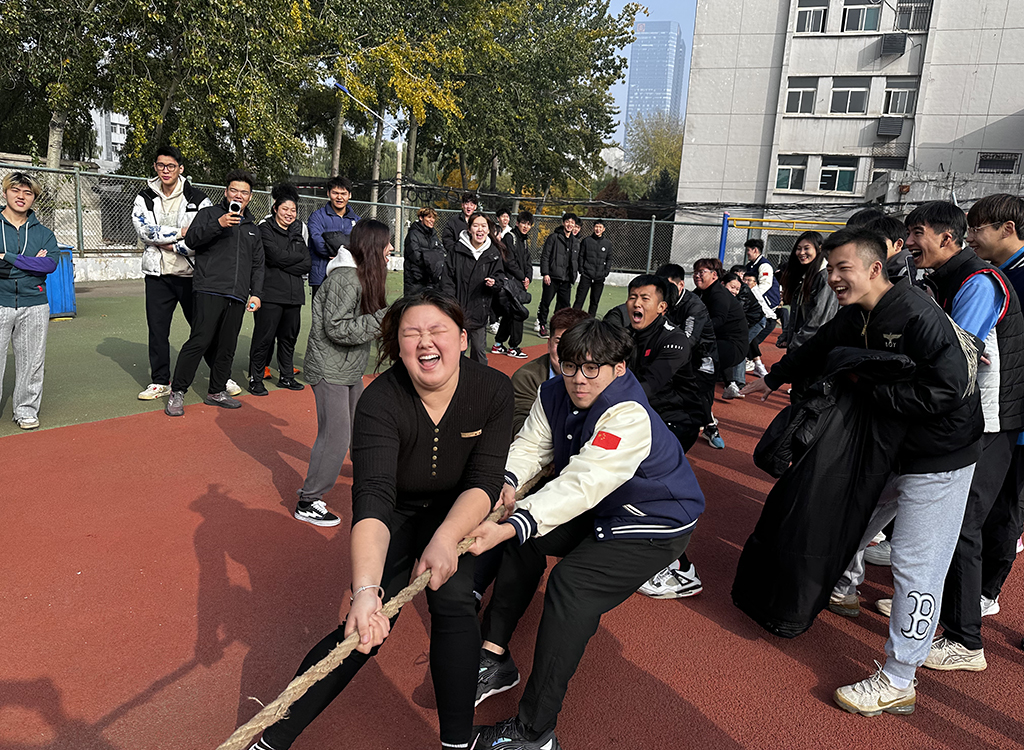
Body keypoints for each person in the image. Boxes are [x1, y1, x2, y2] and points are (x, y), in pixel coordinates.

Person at [246, 291, 513, 750]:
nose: (425, 342)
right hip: (397, 511)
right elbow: (372, 496)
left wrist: (447, 537)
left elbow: (484, 480)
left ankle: (456, 742)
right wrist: (365, 590)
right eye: (412, 334)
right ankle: (271, 740)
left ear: (462, 339)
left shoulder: (492, 389)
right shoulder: (380, 400)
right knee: (362, 629)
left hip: (456, 509)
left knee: (454, 601)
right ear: (397, 345)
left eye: (437, 330)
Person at [743, 226, 982, 718]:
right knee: (841, 518)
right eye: (829, 268)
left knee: (916, 565)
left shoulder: (917, 314)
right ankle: (840, 585)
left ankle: (899, 678)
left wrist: (872, 391)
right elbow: (816, 349)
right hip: (887, 447)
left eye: (842, 268)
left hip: (939, 455)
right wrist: (774, 377)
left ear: (875, 268)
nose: (832, 277)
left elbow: (948, 390)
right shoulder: (856, 315)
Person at [469, 318, 705, 750]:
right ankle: (494, 655)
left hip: (652, 520)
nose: (580, 378)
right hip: (602, 506)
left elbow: (584, 482)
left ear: (619, 368)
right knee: (523, 538)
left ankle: (534, 733)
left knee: (571, 585)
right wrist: (507, 482)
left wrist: (517, 520)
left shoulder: (628, 414)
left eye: (593, 368)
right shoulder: (552, 392)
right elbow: (532, 445)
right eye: (571, 365)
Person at [901, 201, 1024, 672]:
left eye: (917, 233)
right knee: (958, 522)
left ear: (945, 238)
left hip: (991, 419)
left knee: (964, 524)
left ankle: (965, 639)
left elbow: (954, 353)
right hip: (980, 417)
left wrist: (948, 343)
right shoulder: (954, 278)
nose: (910, 243)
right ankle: (933, 605)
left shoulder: (980, 281)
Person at [295, 219, 391, 527]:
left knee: (360, 425)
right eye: (387, 243)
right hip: (329, 368)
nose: (391, 248)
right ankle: (308, 500)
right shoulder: (346, 279)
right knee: (335, 435)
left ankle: (368, 473)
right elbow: (337, 328)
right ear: (372, 247)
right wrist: (383, 318)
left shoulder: (360, 275)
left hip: (347, 367)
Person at [622, 275, 706, 600]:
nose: (636, 303)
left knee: (650, 490)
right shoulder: (629, 333)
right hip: (649, 419)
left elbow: (648, 387)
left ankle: (680, 569)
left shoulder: (674, 340)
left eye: (645, 298)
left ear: (662, 307)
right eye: (632, 296)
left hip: (676, 422)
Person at [133, 146, 237, 401]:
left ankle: (221, 377)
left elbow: (204, 235)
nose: (165, 170)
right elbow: (145, 232)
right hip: (157, 275)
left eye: (171, 166)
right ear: (155, 167)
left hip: (191, 275)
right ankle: (160, 381)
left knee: (203, 330)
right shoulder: (144, 198)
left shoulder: (199, 199)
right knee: (158, 330)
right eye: (160, 165)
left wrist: (171, 243)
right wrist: (181, 232)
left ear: (180, 168)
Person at [965, 193, 1024, 609]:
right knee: (988, 499)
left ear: (1008, 229)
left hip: (1017, 414)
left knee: (1006, 504)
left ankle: (986, 591)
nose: (970, 236)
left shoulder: (1018, 277)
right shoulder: (999, 273)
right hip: (1002, 407)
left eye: (976, 228)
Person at [165, 170, 264, 416]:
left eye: (244, 192)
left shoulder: (252, 228)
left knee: (227, 346)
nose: (238, 196)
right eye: (234, 190)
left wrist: (256, 293)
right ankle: (178, 391)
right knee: (200, 340)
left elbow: (258, 264)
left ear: (250, 197)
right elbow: (192, 240)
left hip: (238, 295)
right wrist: (219, 224)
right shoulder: (209, 214)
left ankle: (217, 391)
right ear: (226, 192)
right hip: (209, 288)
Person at [0, 172, 58, 430]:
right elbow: (38, 265)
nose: (21, 196)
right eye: (15, 190)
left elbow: (50, 264)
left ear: (34, 198)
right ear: (5, 193)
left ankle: (26, 410)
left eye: (28, 192)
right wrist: (31, 263)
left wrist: (7, 257)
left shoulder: (44, 233)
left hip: (34, 302)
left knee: (32, 361)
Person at [247, 184, 311, 396]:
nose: (289, 214)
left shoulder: (298, 230)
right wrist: (292, 259)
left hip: (294, 296)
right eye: (285, 209)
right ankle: (256, 378)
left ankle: (286, 376)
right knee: (263, 338)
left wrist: (282, 262)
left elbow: (307, 263)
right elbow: (272, 256)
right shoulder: (265, 228)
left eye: (293, 210)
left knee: (289, 338)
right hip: (271, 294)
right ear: (275, 208)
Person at [656, 263, 722, 447]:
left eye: (668, 285)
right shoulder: (664, 301)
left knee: (694, 396)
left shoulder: (694, 306)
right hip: (683, 358)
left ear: (680, 285)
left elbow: (688, 340)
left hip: (703, 361)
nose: (664, 290)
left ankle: (710, 426)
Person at [509, 307, 590, 435]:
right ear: (549, 343)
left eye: (574, 343)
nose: (565, 351)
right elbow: (520, 428)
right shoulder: (526, 377)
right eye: (559, 342)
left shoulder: (602, 375)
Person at [441, 212, 504, 364]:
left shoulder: (493, 254)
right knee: (455, 353)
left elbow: (500, 277)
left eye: (483, 226)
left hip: (479, 313)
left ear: (488, 230)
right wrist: (451, 304)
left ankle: (479, 379)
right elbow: (447, 281)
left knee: (479, 353)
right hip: (457, 313)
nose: (480, 229)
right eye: (476, 226)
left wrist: (494, 282)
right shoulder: (456, 251)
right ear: (469, 229)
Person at [693, 258, 748, 402]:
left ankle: (705, 411)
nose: (697, 275)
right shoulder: (700, 292)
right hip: (718, 341)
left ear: (714, 275)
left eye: (701, 272)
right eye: (695, 272)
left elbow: (718, 320)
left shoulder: (719, 294)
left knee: (701, 366)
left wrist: (695, 331)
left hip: (733, 345)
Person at [776, 231, 838, 354]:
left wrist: (796, 343)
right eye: (798, 249)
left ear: (819, 248)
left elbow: (819, 319)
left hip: (813, 346)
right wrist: (787, 335)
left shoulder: (825, 276)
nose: (801, 253)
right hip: (803, 343)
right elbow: (796, 311)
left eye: (806, 248)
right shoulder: (805, 274)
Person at [307, 176, 359, 299]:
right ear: (328, 193)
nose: (339, 197)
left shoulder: (357, 220)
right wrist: (341, 255)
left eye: (343, 194)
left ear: (349, 195)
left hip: (349, 277)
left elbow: (360, 244)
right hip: (321, 275)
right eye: (335, 193)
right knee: (320, 310)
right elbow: (318, 242)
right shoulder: (317, 217)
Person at [492, 210, 534, 359]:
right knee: (518, 313)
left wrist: (528, 277)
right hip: (511, 283)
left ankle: (498, 344)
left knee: (510, 314)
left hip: (519, 283)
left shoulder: (524, 240)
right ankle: (513, 347)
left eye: (528, 224)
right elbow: (509, 261)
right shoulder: (510, 237)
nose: (526, 226)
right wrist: (523, 277)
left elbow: (528, 262)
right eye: (523, 223)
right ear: (517, 223)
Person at [537, 213, 580, 337]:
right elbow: (545, 256)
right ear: (563, 223)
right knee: (546, 302)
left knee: (565, 306)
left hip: (566, 279)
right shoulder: (554, 237)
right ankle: (542, 325)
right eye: (567, 222)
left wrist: (574, 275)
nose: (570, 224)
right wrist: (545, 273)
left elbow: (575, 260)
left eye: (572, 223)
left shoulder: (576, 242)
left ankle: (560, 327)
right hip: (552, 277)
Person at [723, 271, 766, 392]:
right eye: (732, 287)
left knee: (739, 345)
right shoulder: (721, 293)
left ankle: (739, 381)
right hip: (746, 321)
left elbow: (738, 314)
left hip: (755, 321)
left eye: (736, 288)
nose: (734, 291)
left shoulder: (744, 293)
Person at [574, 220, 613, 316]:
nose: (598, 229)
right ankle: (574, 319)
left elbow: (609, 259)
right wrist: (581, 270)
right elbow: (581, 256)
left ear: (604, 229)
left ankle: (591, 320)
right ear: (593, 228)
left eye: (600, 227)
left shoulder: (607, 243)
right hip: (586, 275)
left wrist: (605, 272)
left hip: (599, 277)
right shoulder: (586, 241)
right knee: (579, 299)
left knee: (594, 301)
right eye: (596, 227)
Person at [403, 206, 446, 296]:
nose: (432, 220)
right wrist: (431, 259)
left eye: (433, 218)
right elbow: (416, 256)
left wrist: (429, 257)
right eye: (429, 217)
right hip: (415, 280)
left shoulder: (433, 235)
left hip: (431, 279)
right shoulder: (413, 234)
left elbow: (441, 252)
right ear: (421, 218)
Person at [742, 270, 777, 377]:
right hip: (758, 320)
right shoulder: (747, 290)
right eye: (745, 280)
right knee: (750, 341)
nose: (746, 282)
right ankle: (756, 364)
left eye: (749, 280)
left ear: (755, 283)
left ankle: (752, 363)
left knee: (746, 341)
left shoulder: (754, 292)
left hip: (767, 321)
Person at [863, 214, 917, 283]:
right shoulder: (885, 270)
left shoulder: (908, 273)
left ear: (898, 245)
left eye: (879, 243)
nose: (872, 249)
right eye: (868, 244)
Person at [743, 238, 781, 319]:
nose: (747, 253)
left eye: (748, 250)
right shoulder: (750, 265)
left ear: (755, 250)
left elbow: (765, 285)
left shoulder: (764, 265)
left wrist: (752, 297)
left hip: (767, 301)